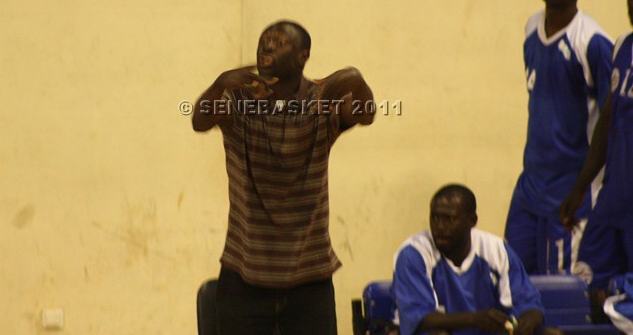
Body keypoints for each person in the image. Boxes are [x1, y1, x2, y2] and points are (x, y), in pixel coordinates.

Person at [192, 20, 375, 335]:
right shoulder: (239, 99)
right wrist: (219, 84)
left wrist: (355, 80)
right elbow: (199, 121)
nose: (267, 46)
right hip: (244, 275)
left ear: (303, 56)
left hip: (310, 279)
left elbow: (366, 114)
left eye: (279, 42)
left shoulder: (323, 102)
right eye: (264, 40)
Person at [505, 0, 614, 275]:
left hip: (571, 191)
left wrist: (582, 188)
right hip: (530, 187)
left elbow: (612, 120)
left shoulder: (593, 42)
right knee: (512, 280)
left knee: (561, 292)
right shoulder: (532, 27)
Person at [561, 0, 633, 323]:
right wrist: (580, 187)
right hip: (613, 199)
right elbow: (607, 121)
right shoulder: (623, 47)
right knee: (587, 292)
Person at [393, 184, 547, 335]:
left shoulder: (496, 250)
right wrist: (474, 319)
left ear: (472, 220)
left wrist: (527, 322)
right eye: (434, 218)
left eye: (449, 219)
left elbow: (528, 304)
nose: (439, 227)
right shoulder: (413, 254)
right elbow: (420, 319)